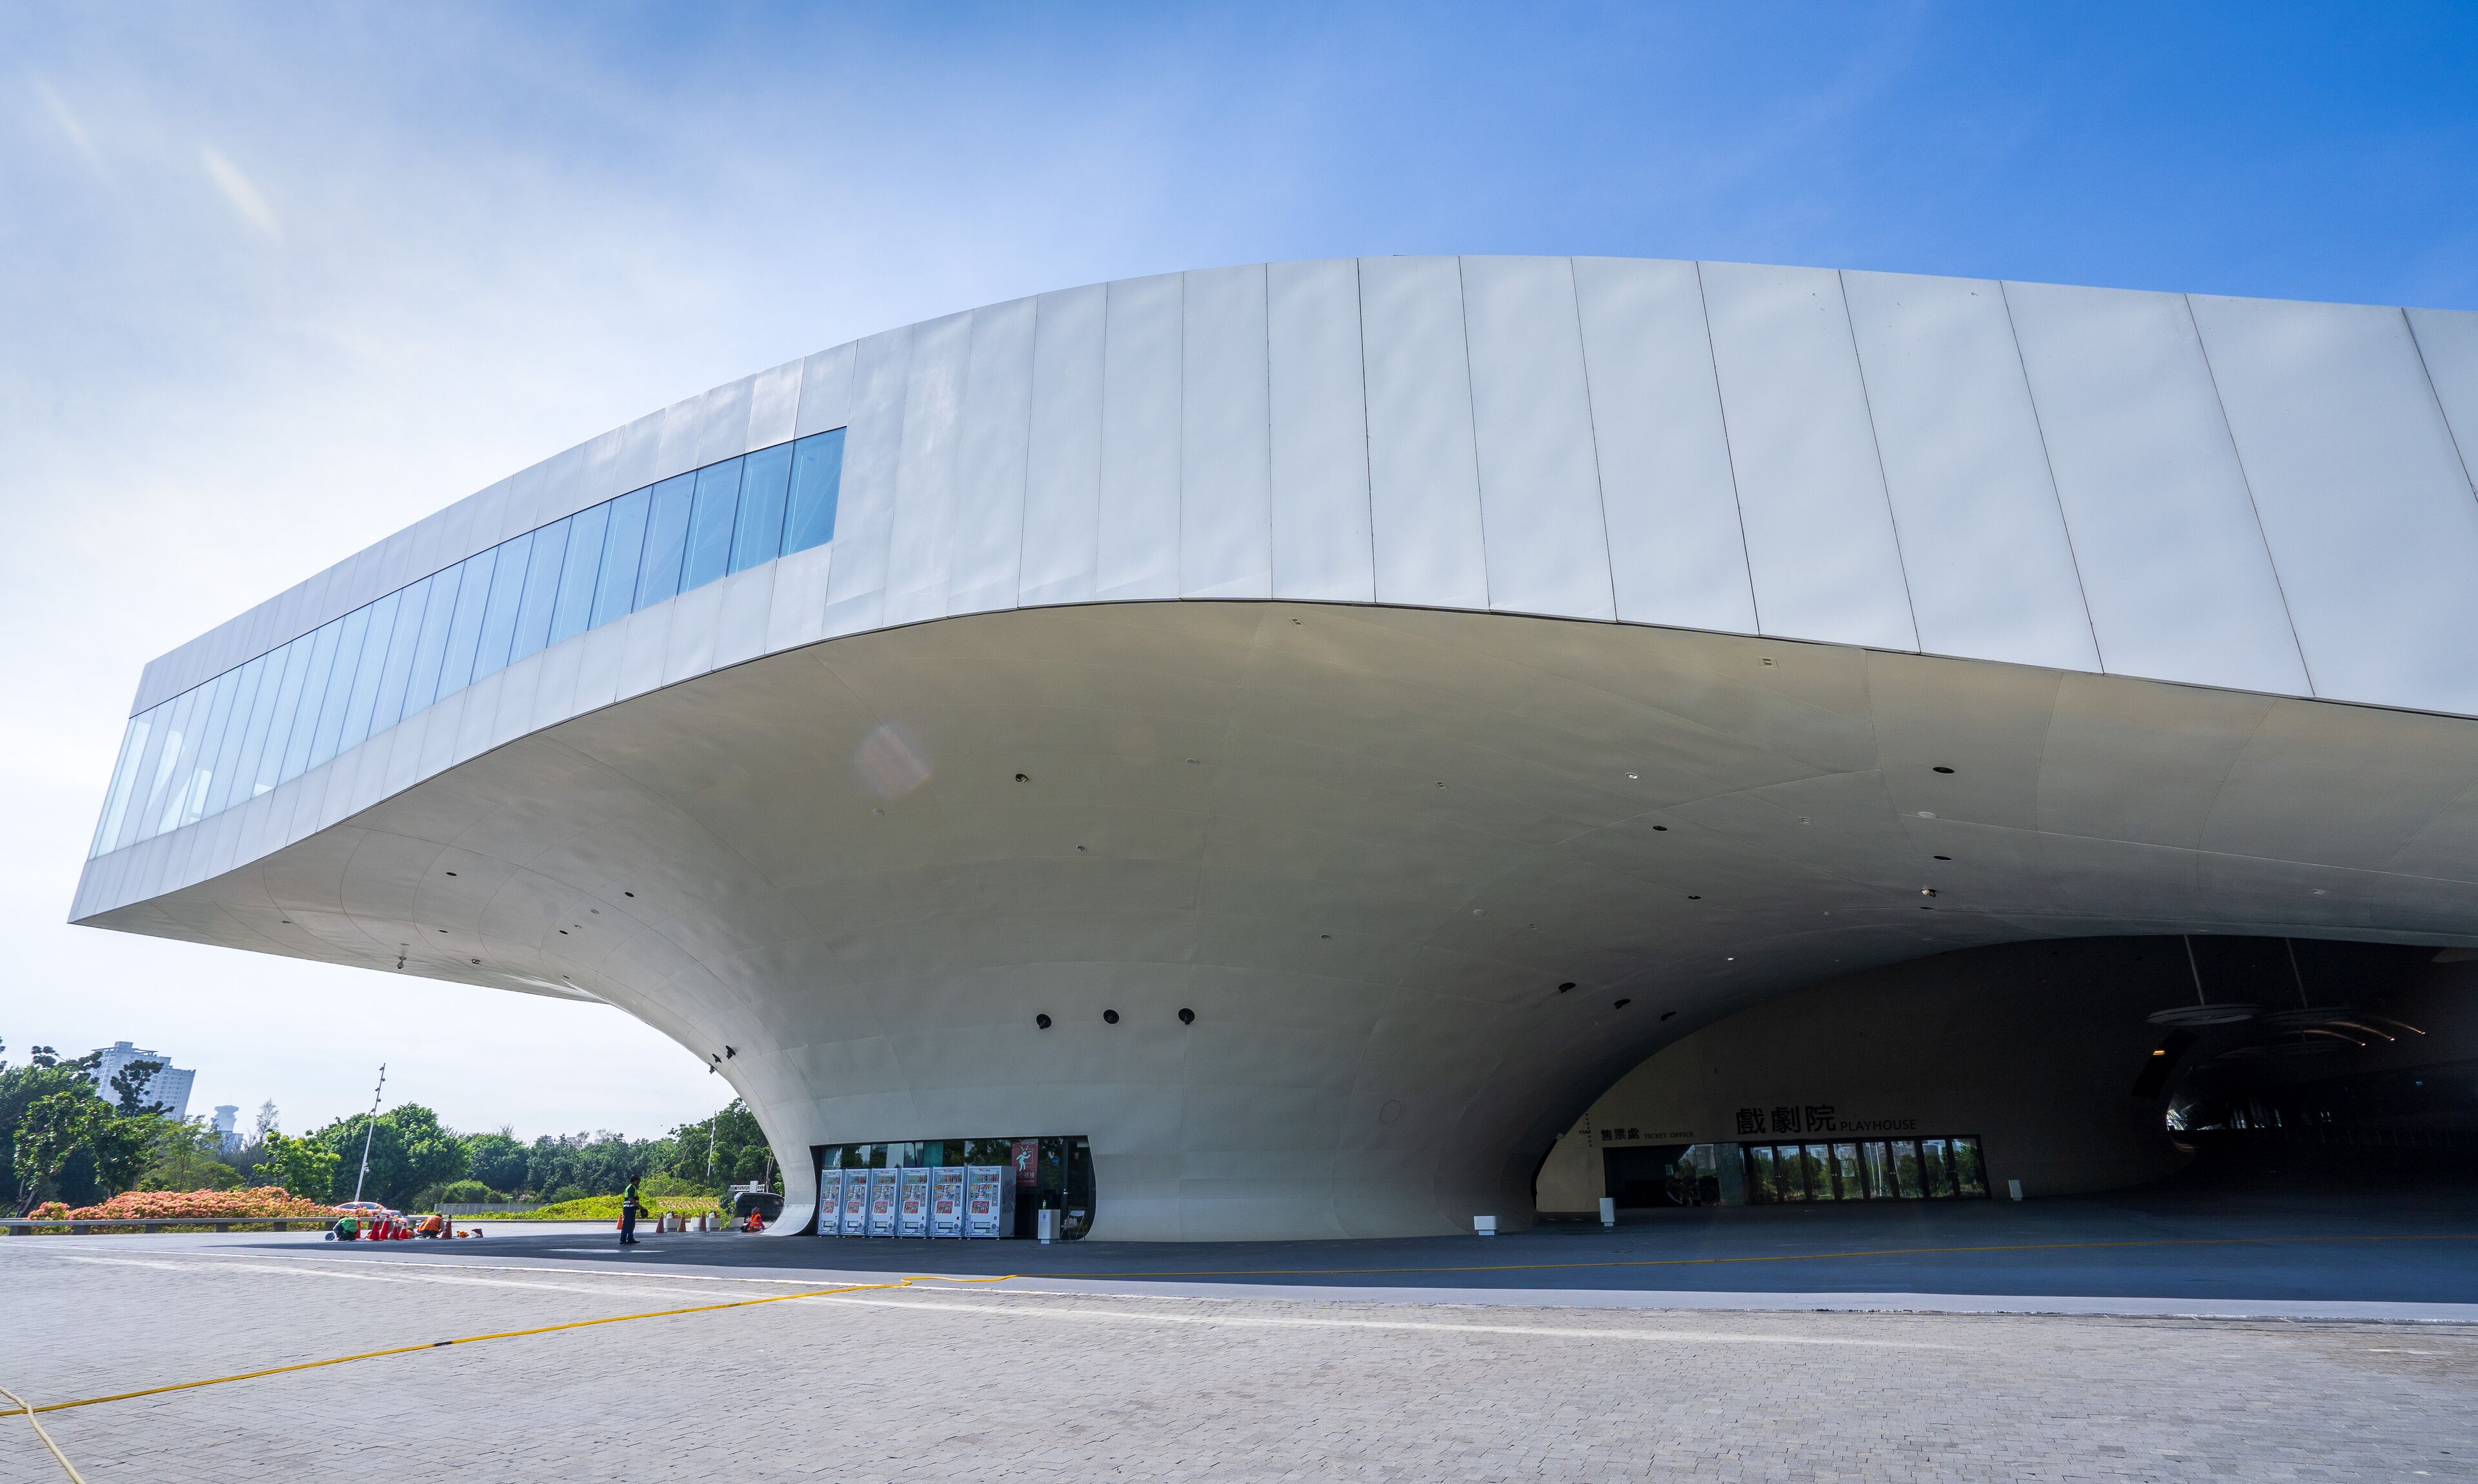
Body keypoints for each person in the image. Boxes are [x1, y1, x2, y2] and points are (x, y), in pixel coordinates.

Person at [619, 1174, 644, 1247]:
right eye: (639, 1181)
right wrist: (639, 1206)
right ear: (636, 1180)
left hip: (631, 1208)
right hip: (629, 1208)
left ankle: (630, 1239)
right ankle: (623, 1240)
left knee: (631, 1224)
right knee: (627, 1224)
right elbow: (631, 1199)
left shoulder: (632, 1187)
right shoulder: (631, 1188)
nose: (639, 1182)